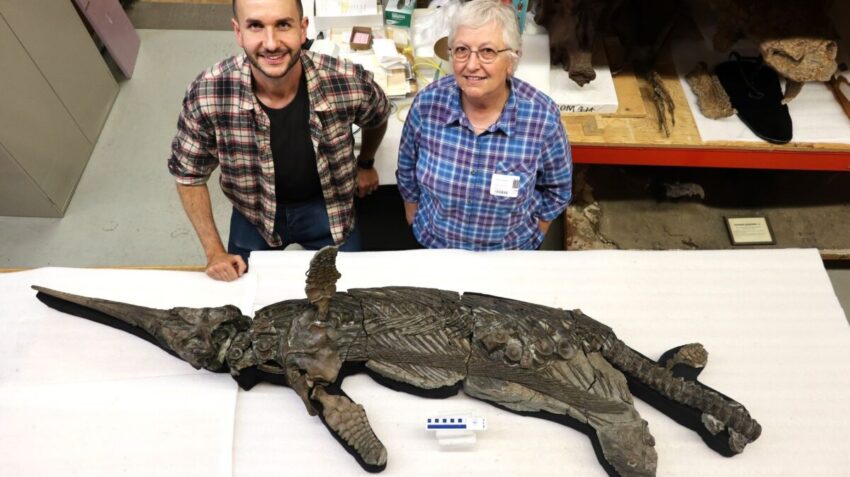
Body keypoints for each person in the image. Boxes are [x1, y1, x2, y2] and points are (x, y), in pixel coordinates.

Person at [169, 0, 390, 281]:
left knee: (350, 286)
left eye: (283, 25)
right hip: (254, 213)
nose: (271, 44)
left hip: (328, 208)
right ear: (238, 32)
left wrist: (366, 162)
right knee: (243, 293)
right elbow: (188, 175)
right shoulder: (208, 94)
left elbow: (378, 116)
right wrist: (214, 251)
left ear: (303, 29)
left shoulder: (347, 80)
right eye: (256, 26)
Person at [396, 0, 572, 250]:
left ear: (512, 60)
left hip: (509, 253)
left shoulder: (541, 118)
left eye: (487, 51)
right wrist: (412, 213)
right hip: (436, 247)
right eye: (461, 50)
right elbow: (406, 166)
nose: (471, 65)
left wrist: (535, 233)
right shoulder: (427, 105)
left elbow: (558, 188)